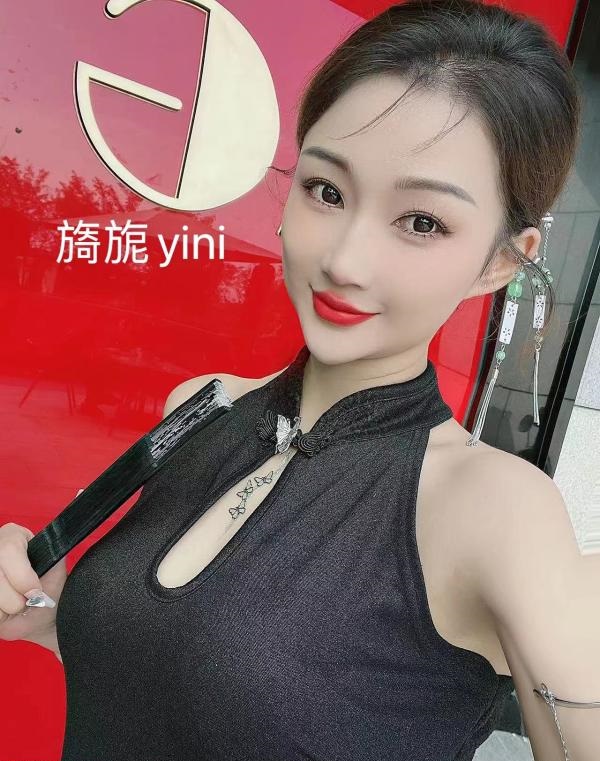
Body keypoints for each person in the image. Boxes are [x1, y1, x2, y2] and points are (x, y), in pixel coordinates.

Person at [1, 1, 597, 759]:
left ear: (502, 261)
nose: (344, 260)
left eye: (421, 222)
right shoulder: (202, 406)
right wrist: (55, 620)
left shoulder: (496, 512)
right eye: (326, 190)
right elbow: (185, 699)